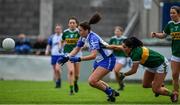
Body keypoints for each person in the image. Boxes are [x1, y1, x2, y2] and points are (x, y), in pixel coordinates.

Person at [58, 13, 119, 102]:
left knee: (92, 81)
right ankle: (111, 91)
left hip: (107, 59)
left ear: (86, 30)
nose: (79, 32)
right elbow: (76, 49)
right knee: (95, 80)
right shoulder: (83, 37)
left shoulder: (93, 38)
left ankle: (110, 93)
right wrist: (67, 57)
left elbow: (93, 55)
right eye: (78, 30)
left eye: (80, 30)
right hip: (100, 60)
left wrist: (79, 59)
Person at [106, 37, 177, 102]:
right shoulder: (129, 48)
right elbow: (115, 47)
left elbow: (134, 71)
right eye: (122, 46)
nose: (122, 48)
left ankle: (172, 94)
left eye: (124, 47)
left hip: (161, 64)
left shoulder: (136, 53)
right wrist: (104, 46)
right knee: (145, 85)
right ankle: (159, 85)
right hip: (151, 66)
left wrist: (124, 74)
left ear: (130, 48)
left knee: (156, 90)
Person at [151, 5, 180, 102]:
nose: (171, 15)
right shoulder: (170, 24)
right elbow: (163, 35)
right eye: (170, 13)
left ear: (178, 14)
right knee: (175, 75)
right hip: (176, 54)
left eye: (174, 13)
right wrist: (155, 34)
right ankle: (175, 94)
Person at [60, 17, 82, 95]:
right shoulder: (65, 32)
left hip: (77, 54)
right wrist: (61, 48)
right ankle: (71, 90)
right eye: (70, 23)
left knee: (77, 74)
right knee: (71, 71)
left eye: (73, 23)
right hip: (67, 54)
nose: (72, 24)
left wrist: (84, 46)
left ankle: (75, 82)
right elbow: (62, 41)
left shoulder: (79, 32)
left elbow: (84, 42)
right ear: (68, 24)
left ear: (76, 24)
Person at [109, 26, 127, 91]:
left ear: (121, 32)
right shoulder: (112, 39)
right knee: (116, 73)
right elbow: (109, 47)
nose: (117, 32)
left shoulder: (125, 39)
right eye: (116, 31)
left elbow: (125, 48)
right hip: (115, 57)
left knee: (116, 70)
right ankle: (121, 85)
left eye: (118, 31)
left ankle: (122, 77)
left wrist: (116, 47)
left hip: (122, 57)